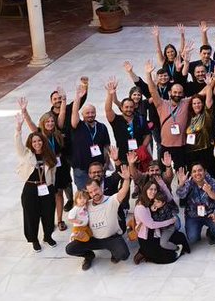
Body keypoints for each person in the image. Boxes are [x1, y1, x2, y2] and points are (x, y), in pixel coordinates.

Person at [64, 166, 133, 270]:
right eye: (91, 192)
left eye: (95, 189)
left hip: (111, 238)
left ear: (100, 187)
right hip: (93, 239)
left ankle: (114, 252)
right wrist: (79, 233)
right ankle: (89, 256)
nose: (94, 193)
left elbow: (123, 191)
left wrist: (127, 179)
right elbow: (77, 220)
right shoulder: (86, 205)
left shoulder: (112, 200)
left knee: (123, 255)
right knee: (70, 249)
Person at [14, 115, 57, 251]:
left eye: (39, 141)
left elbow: (53, 173)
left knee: (48, 214)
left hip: (46, 187)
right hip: (31, 188)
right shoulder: (26, 154)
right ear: (30, 143)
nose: (37, 143)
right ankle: (34, 240)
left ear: (43, 142)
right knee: (31, 215)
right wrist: (19, 128)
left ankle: (48, 236)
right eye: (34, 142)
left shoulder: (49, 155)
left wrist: (51, 187)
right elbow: (17, 143)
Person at [132, 179, 189, 264]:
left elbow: (168, 198)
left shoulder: (152, 200)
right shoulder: (141, 207)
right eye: (151, 189)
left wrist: (162, 184)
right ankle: (143, 252)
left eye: (155, 189)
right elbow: (151, 225)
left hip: (157, 232)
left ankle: (145, 252)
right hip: (148, 237)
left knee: (176, 237)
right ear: (145, 190)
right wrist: (170, 221)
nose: (153, 192)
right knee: (167, 257)